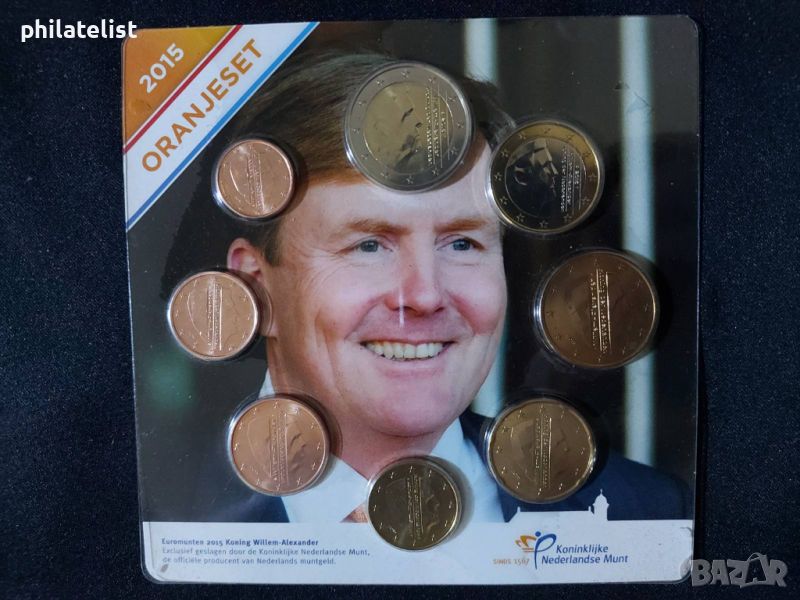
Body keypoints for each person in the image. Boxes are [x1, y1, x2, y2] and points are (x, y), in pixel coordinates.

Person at [214, 48, 690, 524]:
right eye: (369, 246)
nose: (424, 295)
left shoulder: (646, 510)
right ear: (256, 288)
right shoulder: (180, 518)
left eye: (462, 243)